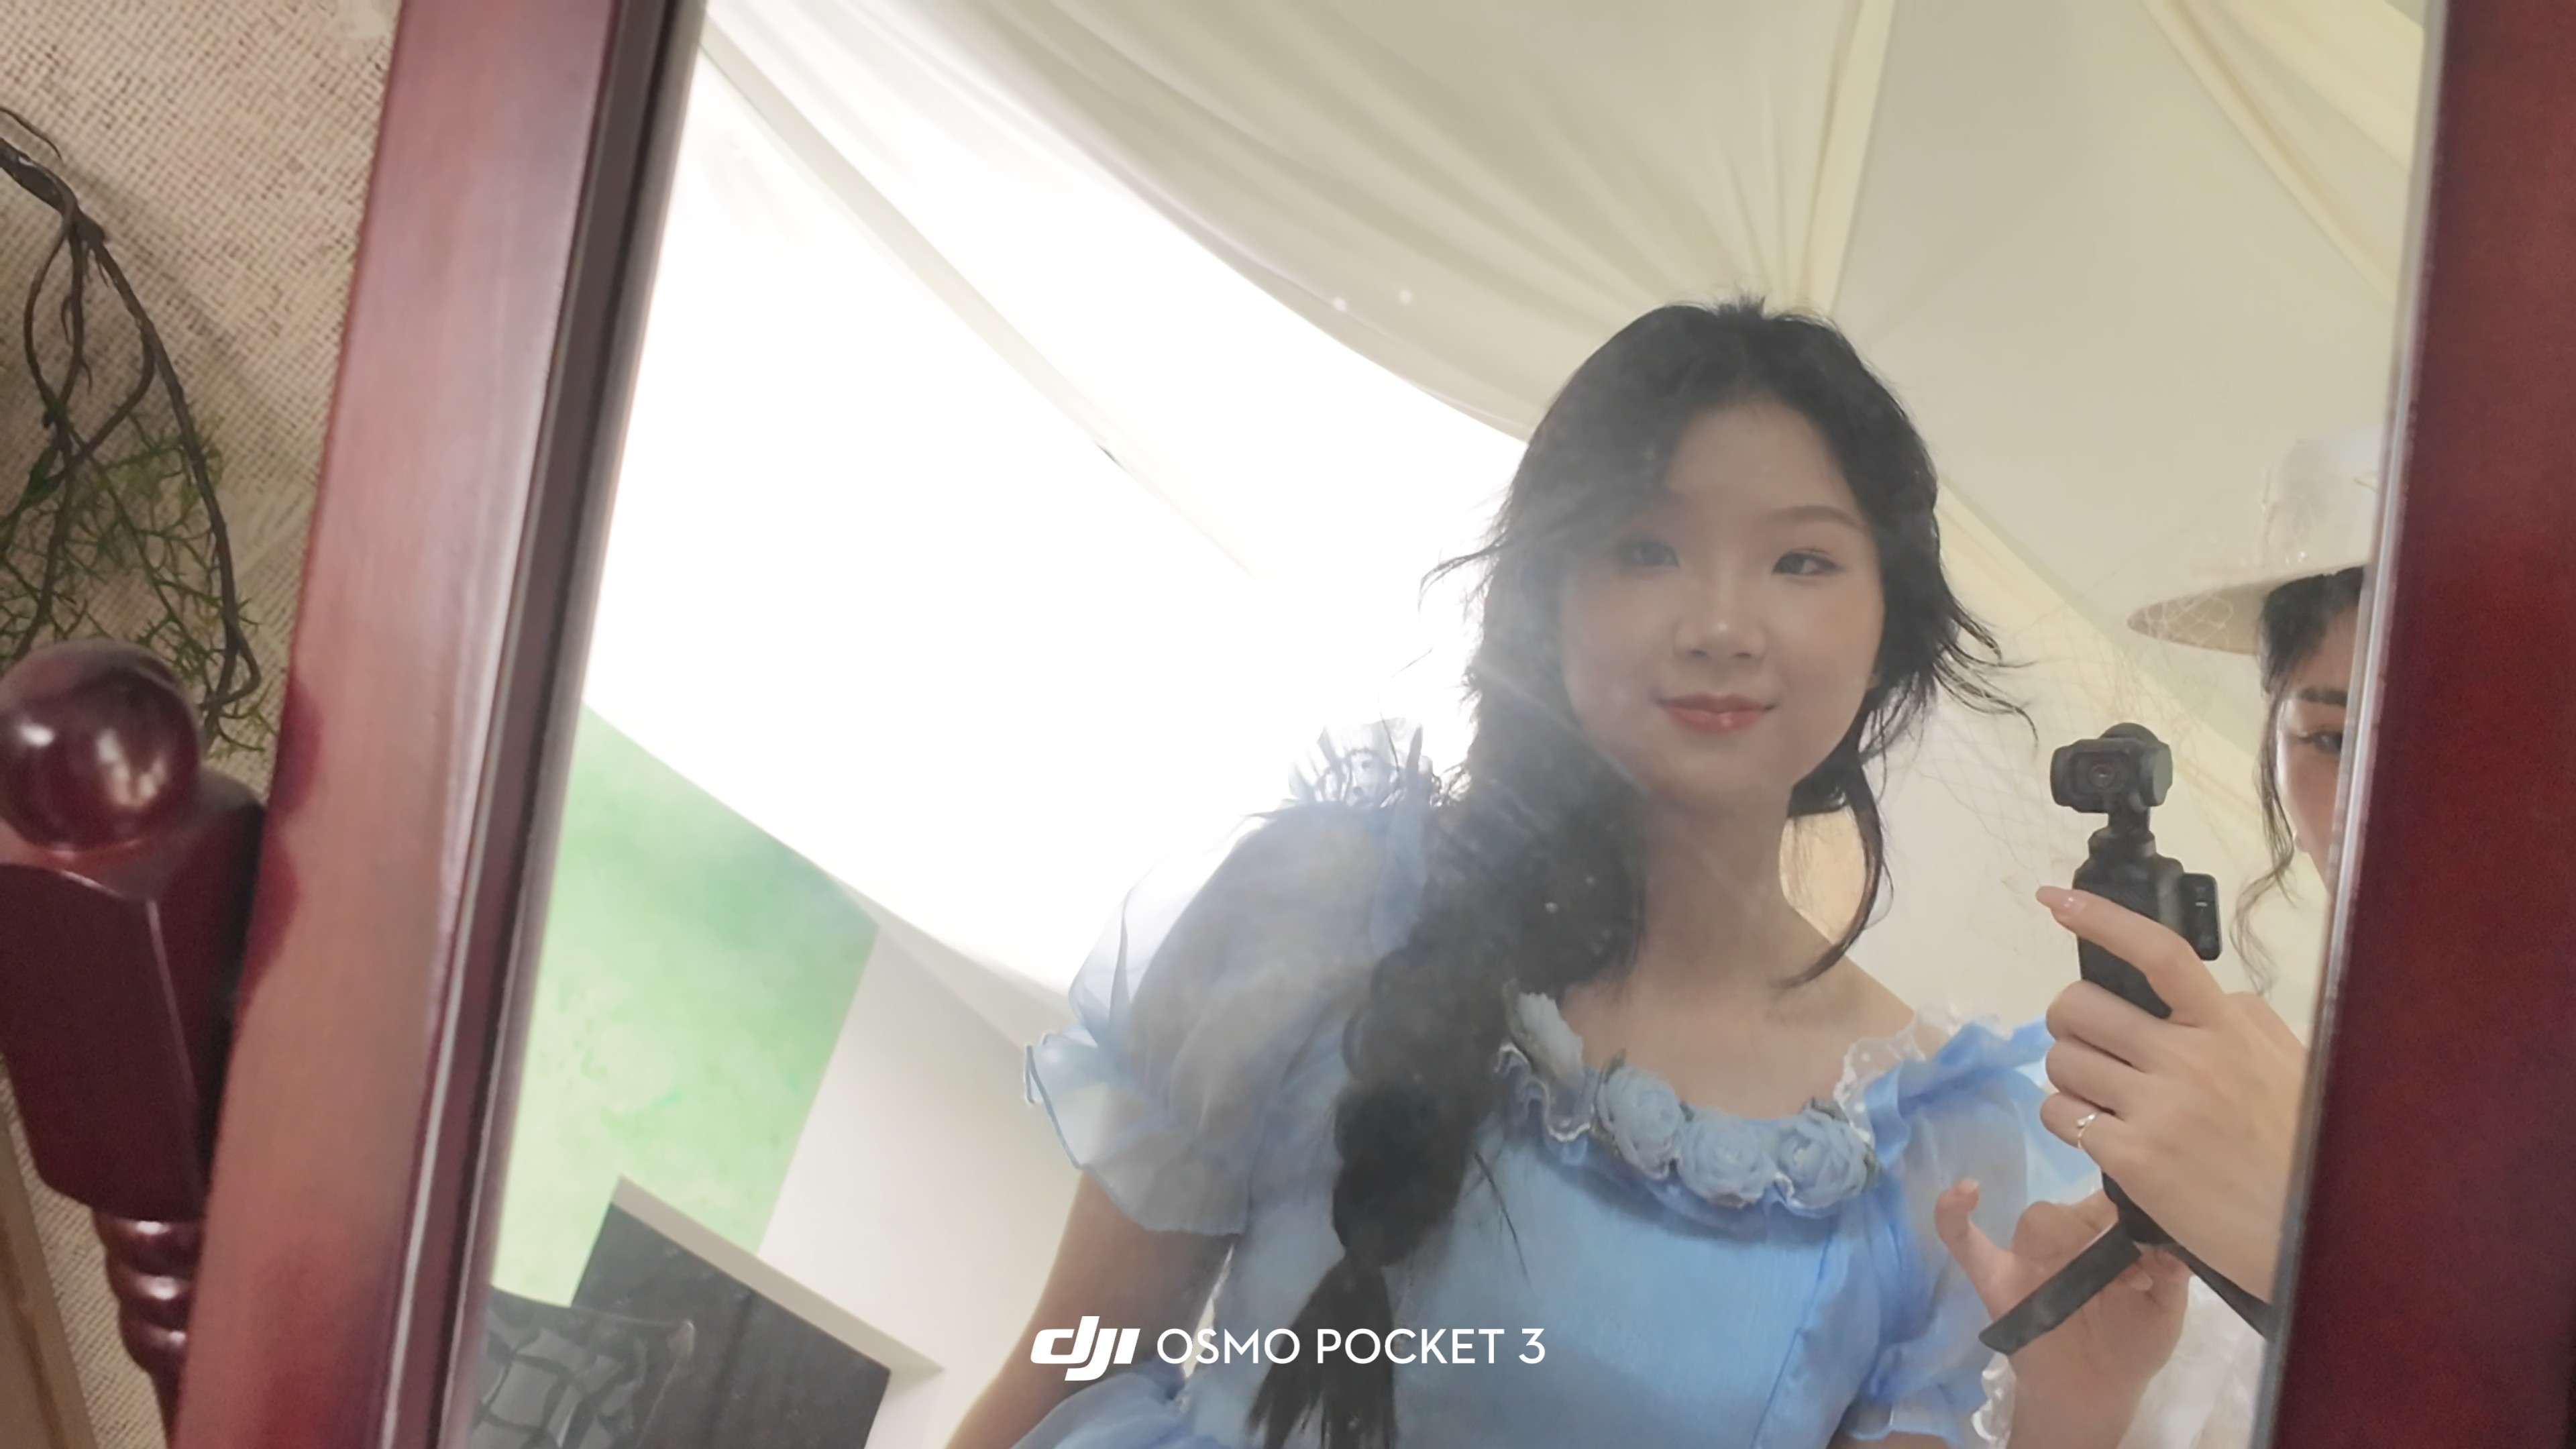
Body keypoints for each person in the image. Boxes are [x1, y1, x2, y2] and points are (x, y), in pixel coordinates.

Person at [946, 301, 2184, 1449]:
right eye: (1646, 548)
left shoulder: (1938, 1146)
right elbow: (1064, 1371)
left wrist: (2076, 1416)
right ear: (1548, 593)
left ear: (1888, 624)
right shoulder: (1319, 905)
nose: (1721, 626)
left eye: (1800, 561)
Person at [1937, 425, 2378, 1446]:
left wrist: (2315, 1252)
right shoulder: (2258, 1104)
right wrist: (2078, 1410)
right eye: (2331, 738)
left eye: (2461, 727)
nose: (2375, 797)